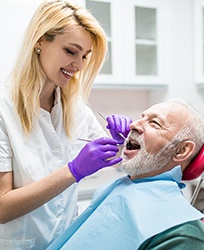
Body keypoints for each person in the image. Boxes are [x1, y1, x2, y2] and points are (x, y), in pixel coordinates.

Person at [0, 0, 131, 249]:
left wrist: (121, 141)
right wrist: (73, 171)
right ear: (40, 41)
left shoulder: (76, 107)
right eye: (71, 51)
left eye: (84, 56)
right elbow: (2, 207)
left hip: (67, 242)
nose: (79, 65)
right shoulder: (3, 110)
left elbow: (118, 160)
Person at [46, 99, 204, 250]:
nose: (133, 125)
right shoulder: (119, 187)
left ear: (181, 151)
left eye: (154, 123)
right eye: (141, 117)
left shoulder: (181, 231)